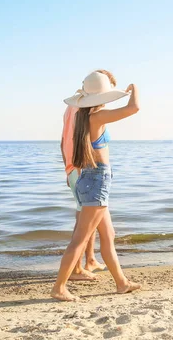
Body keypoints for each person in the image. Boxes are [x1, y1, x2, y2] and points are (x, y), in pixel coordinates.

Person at [51, 70, 142, 302]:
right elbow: (134, 109)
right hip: (96, 179)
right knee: (80, 239)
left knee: (108, 234)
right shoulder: (96, 117)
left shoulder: (85, 116)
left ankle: (121, 283)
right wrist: (134, 89)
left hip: (92, 179)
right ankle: (59, 287)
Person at [60, 72, 118, 281]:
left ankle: (90, 260)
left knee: (89, 222)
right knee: (84, 226)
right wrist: (73, 168)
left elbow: (63, 139)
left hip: (76, 169)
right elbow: (77, 141)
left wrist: (66, 167)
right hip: (84, 170)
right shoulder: (86, 110)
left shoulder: (73, 108)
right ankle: (73, 271)